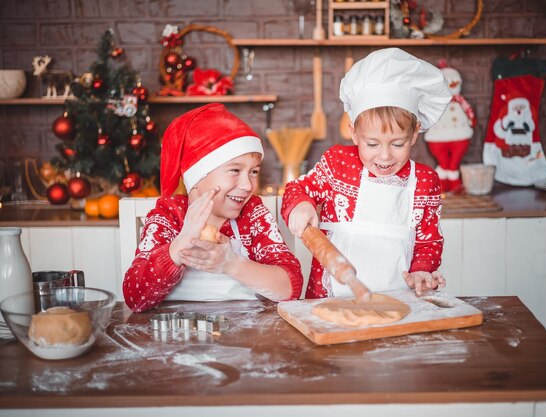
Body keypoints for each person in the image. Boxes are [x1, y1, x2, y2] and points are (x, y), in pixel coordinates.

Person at [281, 48, 451, 299]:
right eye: (372, 144)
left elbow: (429, 242)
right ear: (353, 133)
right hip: (329, 302)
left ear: (414, 134)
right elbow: (298, 188)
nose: (384, 156)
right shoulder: (338, 164)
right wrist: (301, 205)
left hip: (398, 303)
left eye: (397, 144)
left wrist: (422, 271)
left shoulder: (425, 181)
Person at [123, 103, 303, 312]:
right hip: (176, 337)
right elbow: (135, 298)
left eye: (253, 172)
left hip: (246, 335)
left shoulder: (253, 214)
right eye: (235, 170)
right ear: (197, 176)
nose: (247, 185)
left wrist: (230, 264)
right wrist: (180, 246)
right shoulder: (169, 216)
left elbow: (290, 287)